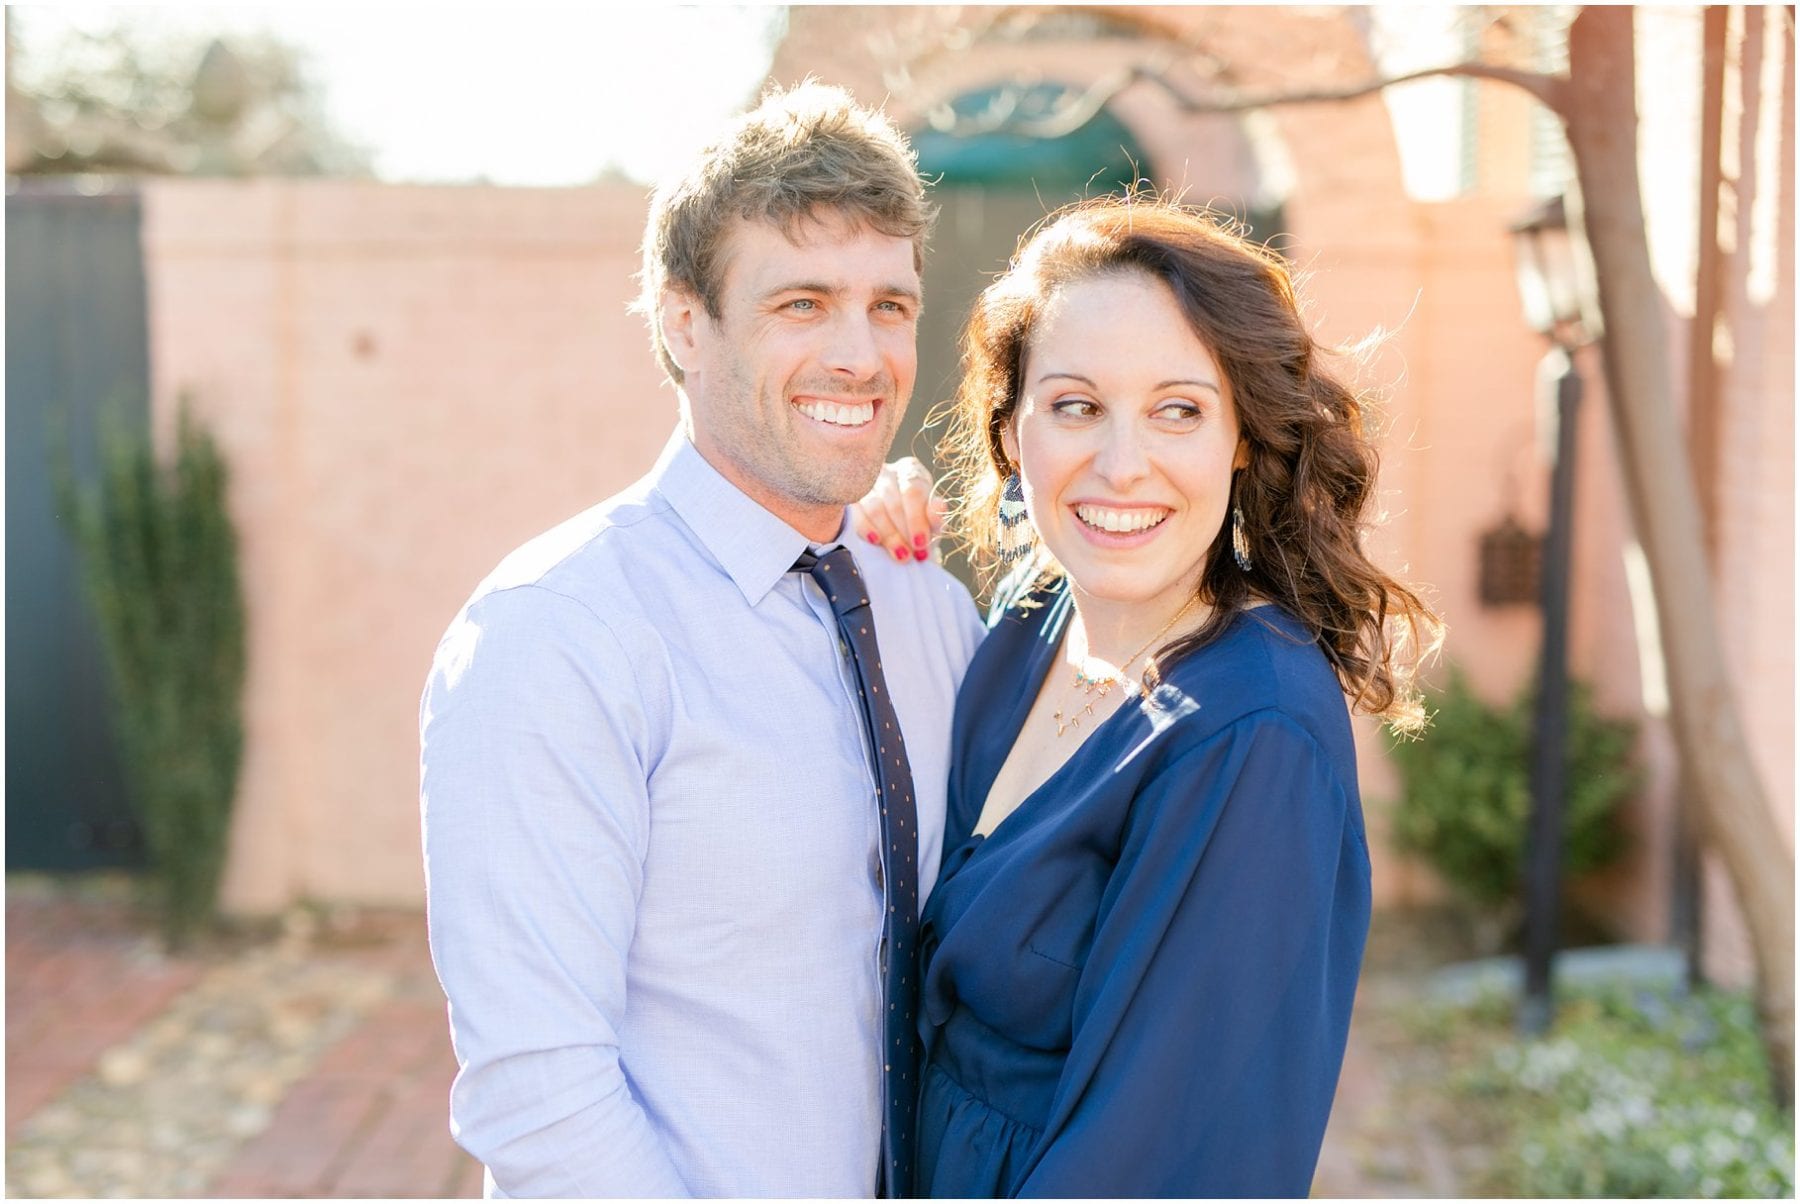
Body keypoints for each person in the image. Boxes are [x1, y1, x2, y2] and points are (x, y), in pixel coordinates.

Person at [419, 82, 984, 1198]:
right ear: (685, 322)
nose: (862, 356)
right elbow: (538, 1094)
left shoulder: (928, 606)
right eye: (802, 304)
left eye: (889, 305)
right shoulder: (559, 635)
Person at [869, 195, 1443, 1198]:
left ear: (1240, 438)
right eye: (1077, 406)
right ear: (1012, 433)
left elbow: (1160, 1162)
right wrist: (872, 544)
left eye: (1178, 408)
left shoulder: (1249, 732)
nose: (1122, 465)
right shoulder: (1022, 623)